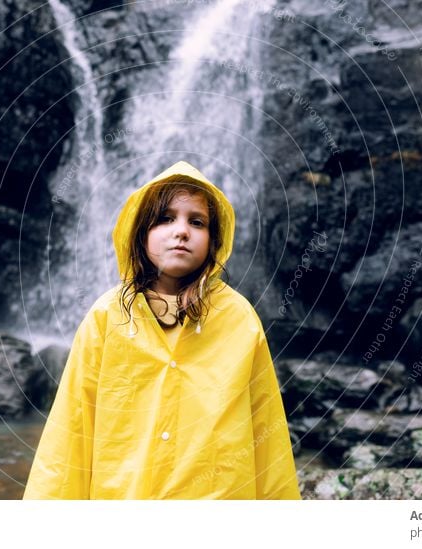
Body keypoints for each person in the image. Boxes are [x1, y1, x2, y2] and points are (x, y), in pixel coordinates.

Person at [22, 160, 300, 499]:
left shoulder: (239, 319)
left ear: (213, 241)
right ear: (141, 234)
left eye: (197, 222)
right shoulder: (106, 317)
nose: (181, 231)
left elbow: (267, 433)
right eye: (165, 218)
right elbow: (71, 429)